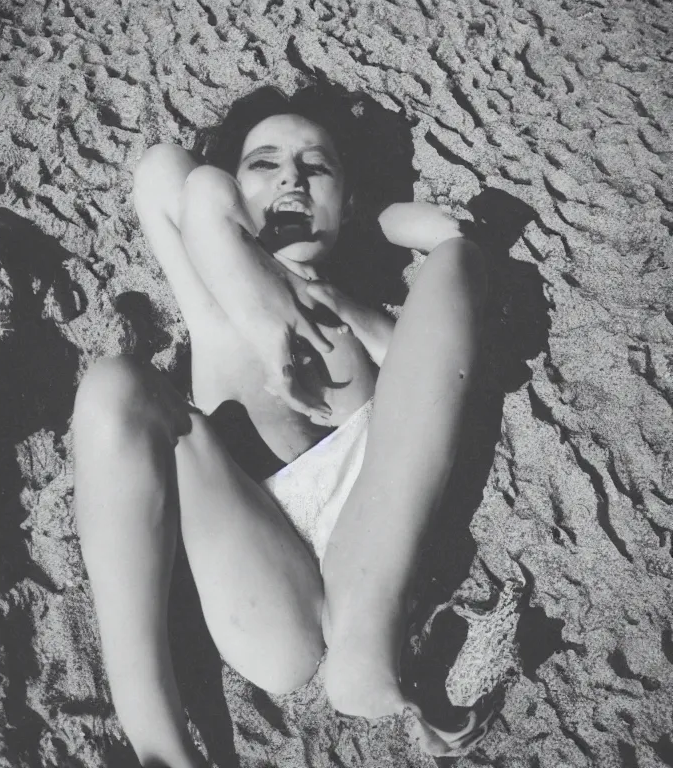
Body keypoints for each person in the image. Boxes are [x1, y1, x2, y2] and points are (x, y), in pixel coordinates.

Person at [72, 84, 490, 768]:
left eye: (316, 167)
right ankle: (161, 749)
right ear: (234, 199)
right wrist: (254, 287)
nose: (291, 177)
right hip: (263, 574)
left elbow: (438, 362)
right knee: (113, 386)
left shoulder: (366, 319)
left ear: (346, 203)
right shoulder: (214, 302)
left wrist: (386, 227)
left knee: (458, 265)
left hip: (375, 528)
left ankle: (366, 640)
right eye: (263, 164)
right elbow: (166, 175)